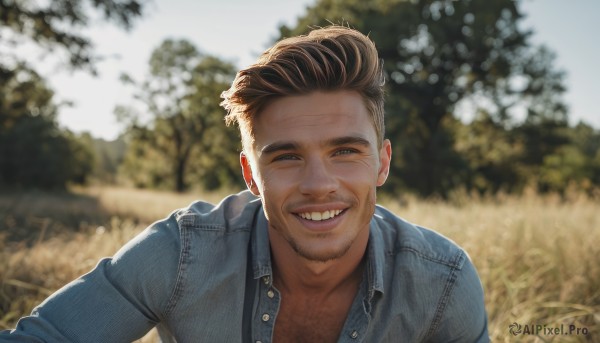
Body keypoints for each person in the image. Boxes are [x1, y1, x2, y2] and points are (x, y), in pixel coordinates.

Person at [1, 25, 488, 342]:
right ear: (250, 175)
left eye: (345, 151)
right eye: (286, 156)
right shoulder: (181, 254)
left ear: (382, 162)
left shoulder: (442, 282)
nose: (319, 184)